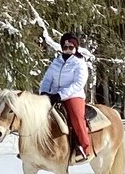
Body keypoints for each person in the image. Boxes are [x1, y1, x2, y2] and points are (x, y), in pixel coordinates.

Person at [37, 31, 93, 163]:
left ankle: (84, 148)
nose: (67, 50)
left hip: (73, 96)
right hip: (53, 95)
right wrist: (44, 92)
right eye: (65, 47)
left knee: (76, 118)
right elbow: (47, 79)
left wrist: (60, 95)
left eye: (70, 47)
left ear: (75, 48)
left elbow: (79, 83)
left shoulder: (79, 63)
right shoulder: (56, 62)